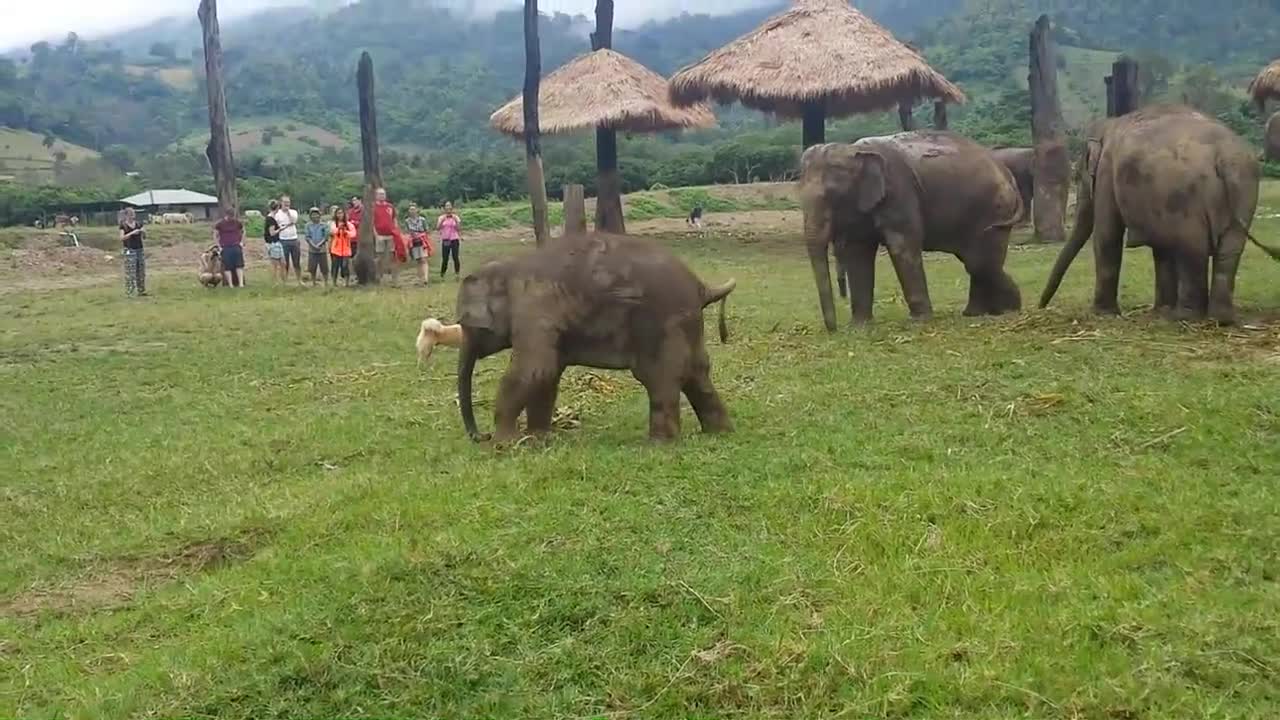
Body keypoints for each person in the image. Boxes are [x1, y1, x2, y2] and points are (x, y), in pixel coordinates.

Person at [372, 188, 407, 285]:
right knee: (379, 257)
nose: (382, 196)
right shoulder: (373, 207)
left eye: (383, 194)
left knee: (393, 257)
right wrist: (376, 235)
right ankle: (379, 278)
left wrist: (396, 231)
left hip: (391, 235)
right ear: (376, 195)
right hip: (380, 235)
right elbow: (372, 223)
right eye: (379, 194)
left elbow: (394, 219)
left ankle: (395, 279)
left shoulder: (390, 206)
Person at [214, 206, 246, 288]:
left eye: (232, 216)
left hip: (236, 245)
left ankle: (241, 283)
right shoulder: (220, 224)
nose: (231, 217)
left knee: (239, 265)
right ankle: (230, 284)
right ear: (226, 215)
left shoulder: (237, 222)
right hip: (225, 246)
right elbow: (215, 235)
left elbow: (243, 231)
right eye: (230, 216)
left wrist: (242, 242)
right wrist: (219, 246)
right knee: (227, 266)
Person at [119, 207, 147, 297]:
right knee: (130, 272)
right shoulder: (123, 225)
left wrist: (143, 232)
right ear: (126, 215)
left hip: (140, 249)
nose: (132, 216)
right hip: (129, 249)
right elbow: (122, 238)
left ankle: (141, 290)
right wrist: (132, 233)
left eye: (133, 214)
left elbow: (145, 237)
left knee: (141, 270)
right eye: (131, 214)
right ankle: (130, 292)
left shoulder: (139, 224)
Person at [275, 195, 302, 286]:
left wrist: (288, 213)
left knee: (296, 262)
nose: (287, 204)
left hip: (294, 239)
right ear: (281, 203)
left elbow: (293, 221)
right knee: (284, 262)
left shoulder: (293, 212)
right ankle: (284, 281)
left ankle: (299, 280)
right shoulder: (277, 214)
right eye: (285, 202)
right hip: (283, 240)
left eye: (288, 202)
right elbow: (277, 225)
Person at [403, 203, 433, 286]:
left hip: (422, 241)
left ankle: (425, 278)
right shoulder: (407, 221)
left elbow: (427, 230)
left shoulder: (422, 220)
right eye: (411, 209)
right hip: (413, 242)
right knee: (418, 261)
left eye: (414, 209)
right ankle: (420, 279)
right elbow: (406, 232)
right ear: (409, 211)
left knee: (424, 259)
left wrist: (421, 235)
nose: (412, 211)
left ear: (417, 210)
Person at [303, 207, 331, 287]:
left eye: (316, 214)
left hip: (322, 250)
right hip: (312, 250)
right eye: (313, 215)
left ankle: (326, 282)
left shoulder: (324, 225)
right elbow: (307, 237)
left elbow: (326, 236)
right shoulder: (308, 225)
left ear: (319, 215)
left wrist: (319, 245)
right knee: (312, 267)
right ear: (310, 216)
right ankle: (314, 282)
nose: (315, 216)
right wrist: (313, 245)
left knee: (324, 267)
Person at [329, 206, 355, 287]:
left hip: (346, 249)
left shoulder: (349, 224)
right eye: (338, 213)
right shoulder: (333, 223)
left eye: (341, 213)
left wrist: (346, 232)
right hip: (336, 249)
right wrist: (338, 229)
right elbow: (332, 231)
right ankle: (334, 283)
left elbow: (353, 234)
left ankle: (346, 282)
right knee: (335, 267)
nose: (340, 215)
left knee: (345, 266)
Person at [437, 201, 462, 280]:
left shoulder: (456, 217)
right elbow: (437, 228)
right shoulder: (441, 217)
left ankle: (457, 274)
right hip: (446, 239)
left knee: (455, 257)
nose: (448, 207)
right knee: (445, 258)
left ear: (452, 207)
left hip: (454, 239)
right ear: (444, 208)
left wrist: (456, 221)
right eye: (446, 206)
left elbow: (459, 229)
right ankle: (442, 274)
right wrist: (442, 221)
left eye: (449, 206)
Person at [264, 199, 284, 283]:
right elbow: (272, 233)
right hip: (273, 243)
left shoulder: (270, 218)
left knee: (281, 262)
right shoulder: (271, 219)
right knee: (275, 264)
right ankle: (275, 281)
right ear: (277, 208)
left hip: (273, 243)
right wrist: (280, 229)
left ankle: (279, 280)